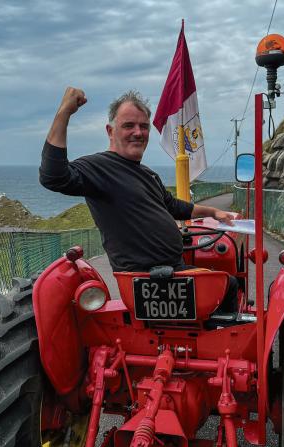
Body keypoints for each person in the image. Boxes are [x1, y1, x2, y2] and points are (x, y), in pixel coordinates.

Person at [39, 87, 237, 310]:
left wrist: (213, 212)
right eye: (128, 126)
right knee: (228, 283)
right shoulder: (98, 167)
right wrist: (64, 112)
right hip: (144, 278)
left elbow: (172, 206)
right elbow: (53, 177)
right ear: (110, 131)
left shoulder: (147, 174)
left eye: (143, 126)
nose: (138, 132)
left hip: (173, 269)